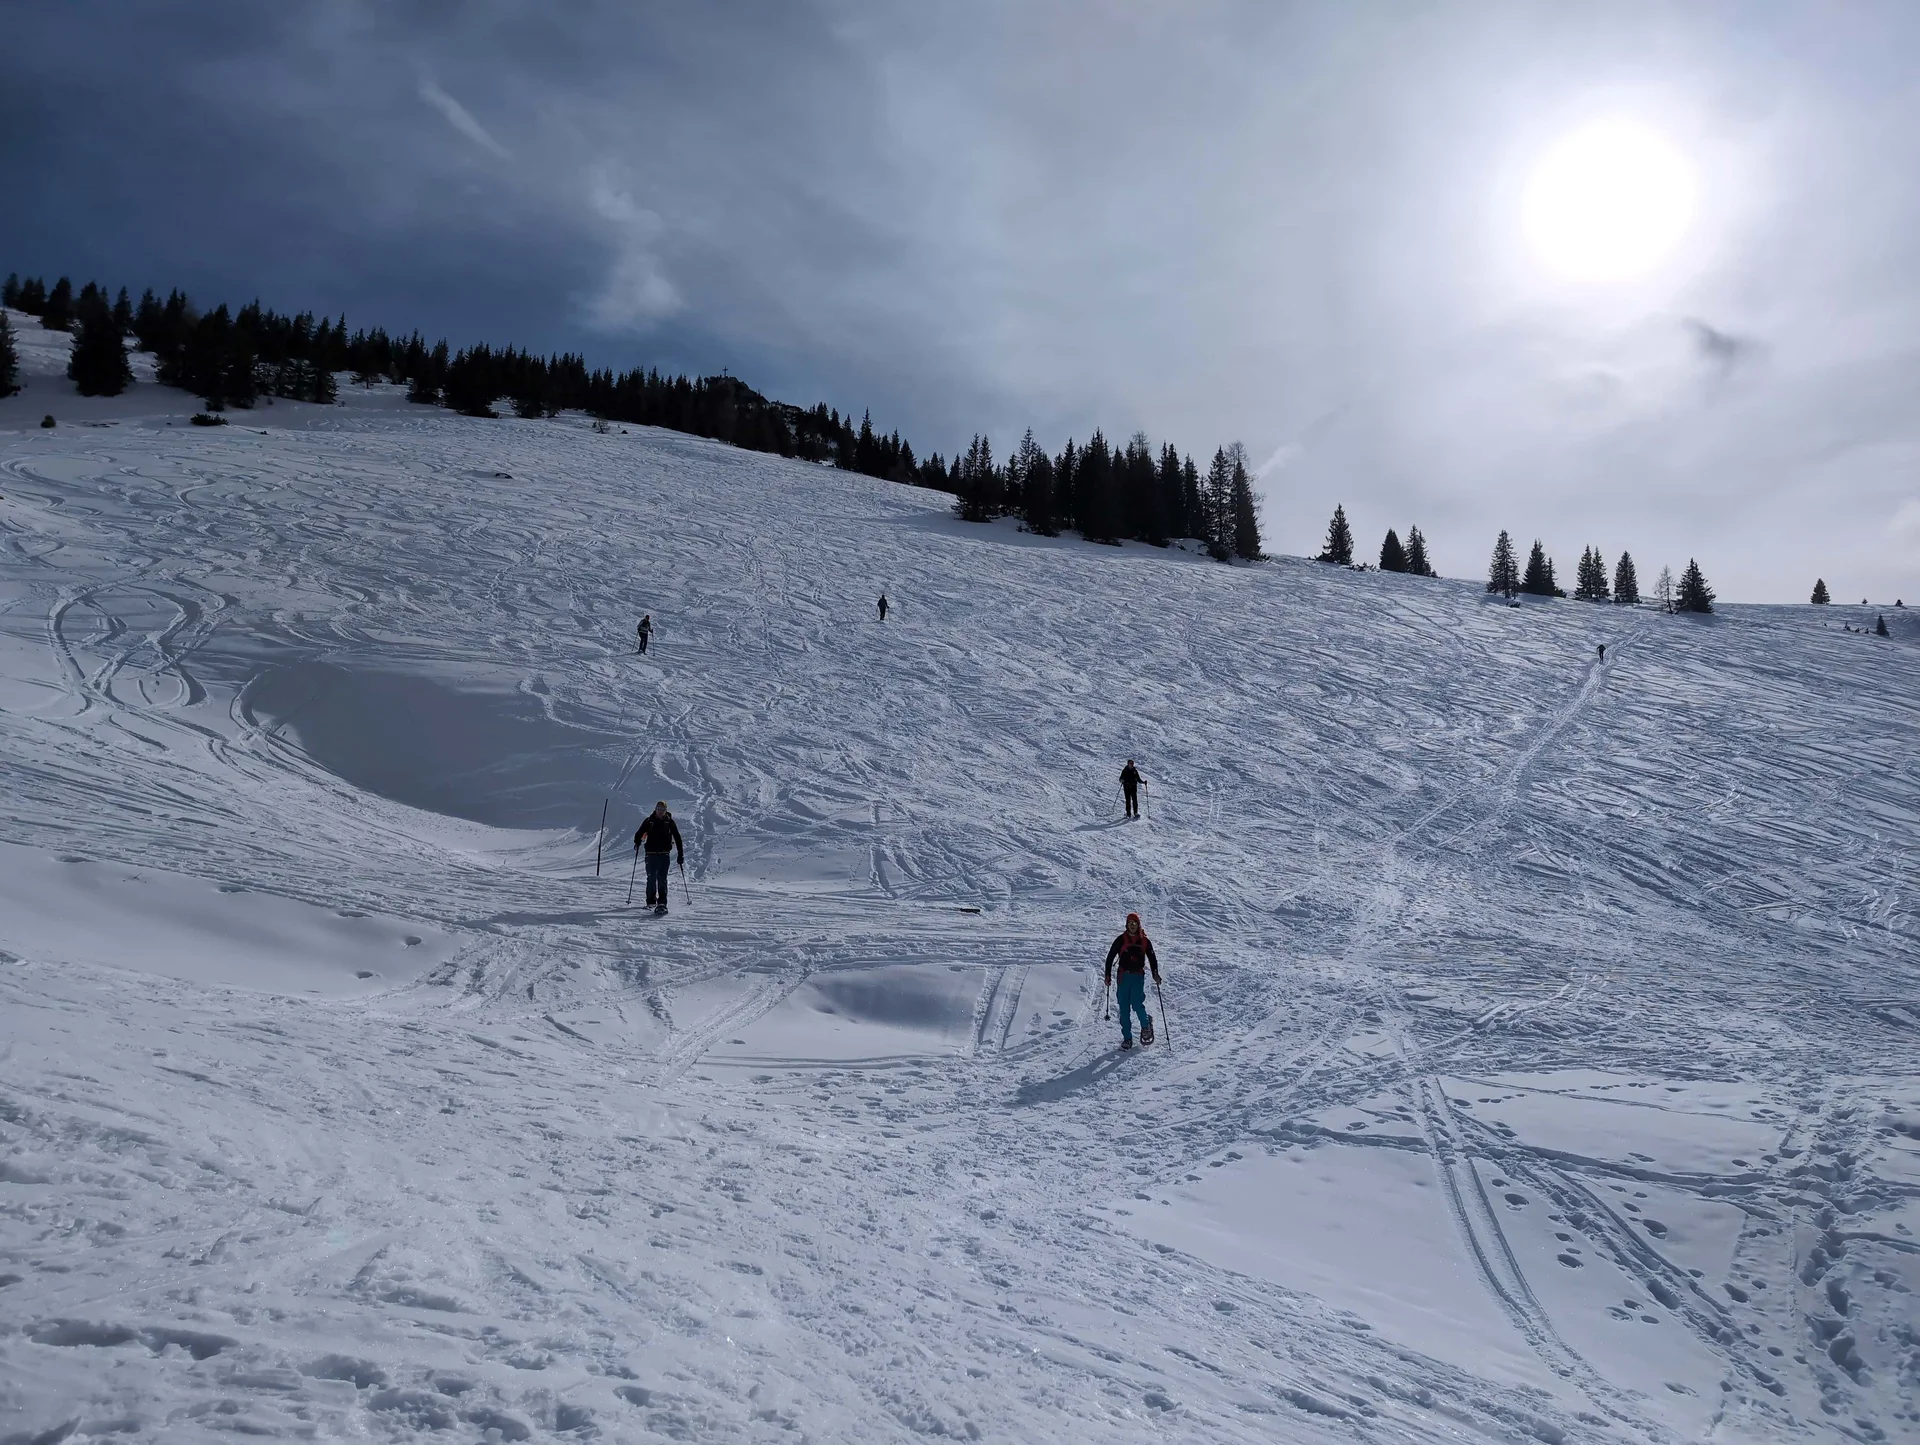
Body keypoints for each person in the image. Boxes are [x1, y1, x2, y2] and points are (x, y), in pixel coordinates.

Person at [1104, 912, 1160, 1050]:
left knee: (1136, 1003)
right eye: (1130, 923)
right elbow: (1110, 957)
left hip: (1137, 976)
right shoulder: (1120, 940)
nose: (1132, 925)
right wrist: (1107, 975)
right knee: (1124, 1008)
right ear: (1127, 924)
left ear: (1138, 924)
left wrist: (1155, 973)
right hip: (1123, 976)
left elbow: (1152, 958)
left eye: (1135, 922)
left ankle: (1146, 1025)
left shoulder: (1145, 941)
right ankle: (1127, 1038)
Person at [634, 801, 684, 914]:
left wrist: (680, 854)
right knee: (651, 878)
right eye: (658, 808)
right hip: (651, 854)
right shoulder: (649, 821)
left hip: (664, 854)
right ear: (655, 809)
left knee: (662, 878)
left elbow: (677, 837)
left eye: (662, 809)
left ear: (665, 810)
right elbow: (639, 833)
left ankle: (662, 903)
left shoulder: (670, 822)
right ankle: (651, 902)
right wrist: (637, 842)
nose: (660, 811)